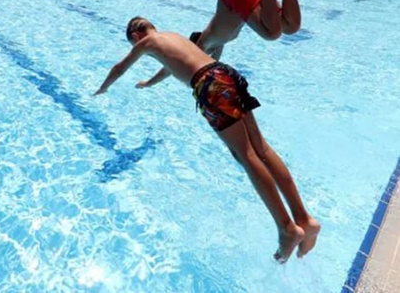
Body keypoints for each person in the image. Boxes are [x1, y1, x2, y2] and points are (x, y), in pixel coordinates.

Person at [94, 17, 320, 263]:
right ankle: (304, 218)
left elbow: (119, 67)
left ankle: (286, 228)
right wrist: (149, 83)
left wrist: (104, 87)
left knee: (246, 155)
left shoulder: (146, 42)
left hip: (209, 85)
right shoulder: (174, 36)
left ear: (136, 35)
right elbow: (170, 68)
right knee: (261, 148)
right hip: (225, 73)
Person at [190, 0, 320, 60]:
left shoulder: (202, 44)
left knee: (271, 34)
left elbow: (196, 64)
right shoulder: (218, 42)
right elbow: (214, 65)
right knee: (291, 27)